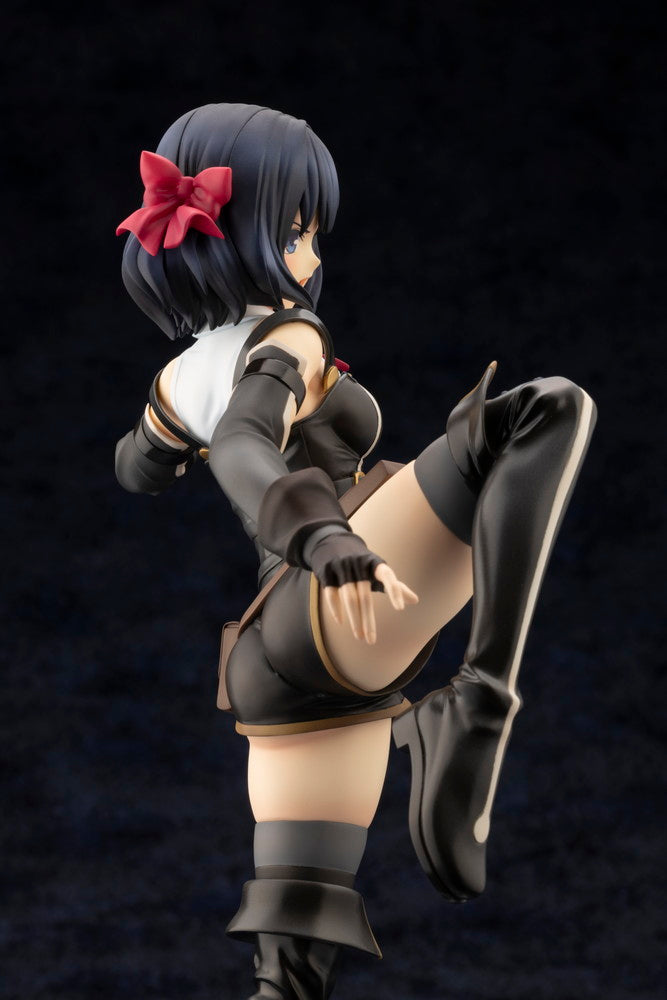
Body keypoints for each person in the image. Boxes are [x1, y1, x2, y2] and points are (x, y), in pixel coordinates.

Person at [114, 102, 597, 1000]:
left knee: (292, 963)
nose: (310, 256)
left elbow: (135, 466)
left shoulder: (178, 377)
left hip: (283, 670)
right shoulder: (289, 337)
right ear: (244, 236)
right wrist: (322, 534)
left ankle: (444, 717)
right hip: (335, 596)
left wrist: (169, 445)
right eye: (295, 232)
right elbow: (247, 445)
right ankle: (477, 704)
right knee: (543, 412)